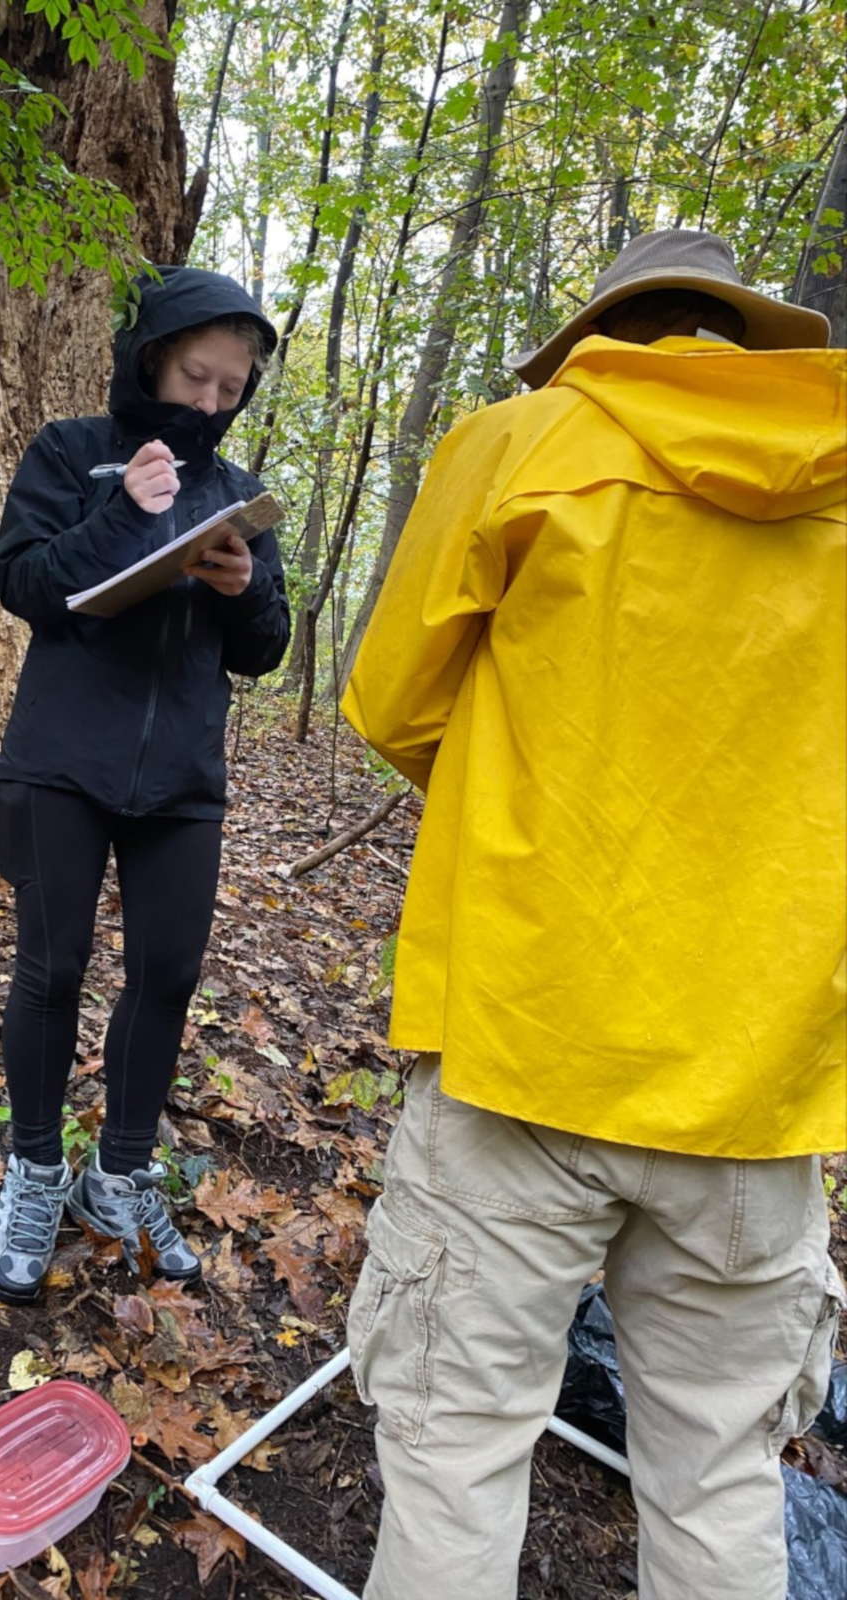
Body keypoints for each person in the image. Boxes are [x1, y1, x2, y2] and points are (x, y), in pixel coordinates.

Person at [342, 230, 846, 1599]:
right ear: (744, 340)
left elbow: (393, 702)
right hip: (761, 1090)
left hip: (527, 1041)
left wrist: (529, 782)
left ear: (600, 338)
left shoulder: (523, 442)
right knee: (723, 1473)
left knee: (458, 1449)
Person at [0, 266, 288, 1303]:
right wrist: (121, 514)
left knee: (166, 978)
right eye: (194, 375)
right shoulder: (69, 451)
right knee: (52, 967)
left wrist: (244, 590)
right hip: (62, 761)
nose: (207, 402)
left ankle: (116, 1176)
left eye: (228, 388)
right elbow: (25, 583)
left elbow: (265, 651)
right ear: (151, 356)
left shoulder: (238, 495)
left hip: (183, 781)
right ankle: (32, 1170)